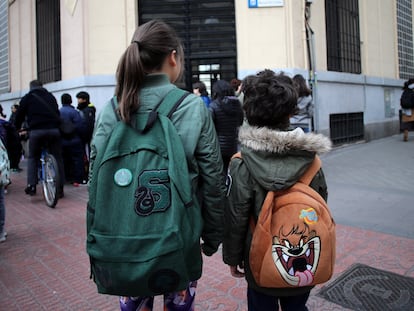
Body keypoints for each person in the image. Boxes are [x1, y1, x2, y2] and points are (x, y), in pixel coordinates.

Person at [89, 20, 226, 311]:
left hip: (124, 242)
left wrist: (96, 235)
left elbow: (95, 180)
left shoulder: (112, 110)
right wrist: (213, 235)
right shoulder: (191, 107)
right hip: (179, 239)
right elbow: (212, 178)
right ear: (173, 57)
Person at [222, 70, 331, 311]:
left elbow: (236, 216)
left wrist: (232, 257)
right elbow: (321, 205)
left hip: (259, 260)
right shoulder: (312, 162)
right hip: (304, 261)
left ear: (249, 112)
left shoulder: (242, 163)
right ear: (291, 112)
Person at [14, 79, 64, 197]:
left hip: (37, 131)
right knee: (58, 158)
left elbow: (19, 115)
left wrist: (17, 128)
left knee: (33, 157)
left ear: (30, 87)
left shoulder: (27, 98)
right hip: (53, 131)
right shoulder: (50, 96)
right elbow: (57, 112)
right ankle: (60, 187)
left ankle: (32, 185)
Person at [209, 80, 244, 174]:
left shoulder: (214, 106)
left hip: (218, 146)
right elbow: (240, 122)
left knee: (221, 173)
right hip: (234, 145)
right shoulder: (237, 104)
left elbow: (210, 128)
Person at [60, 93, 85, 186]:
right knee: (77, 160)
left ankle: (66, 178)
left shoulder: (59, 112)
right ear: (70, 101)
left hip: (62, 141)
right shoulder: (74, 112)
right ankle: (77, 179)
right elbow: (80, 126)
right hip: (75, 140)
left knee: (64, 160)